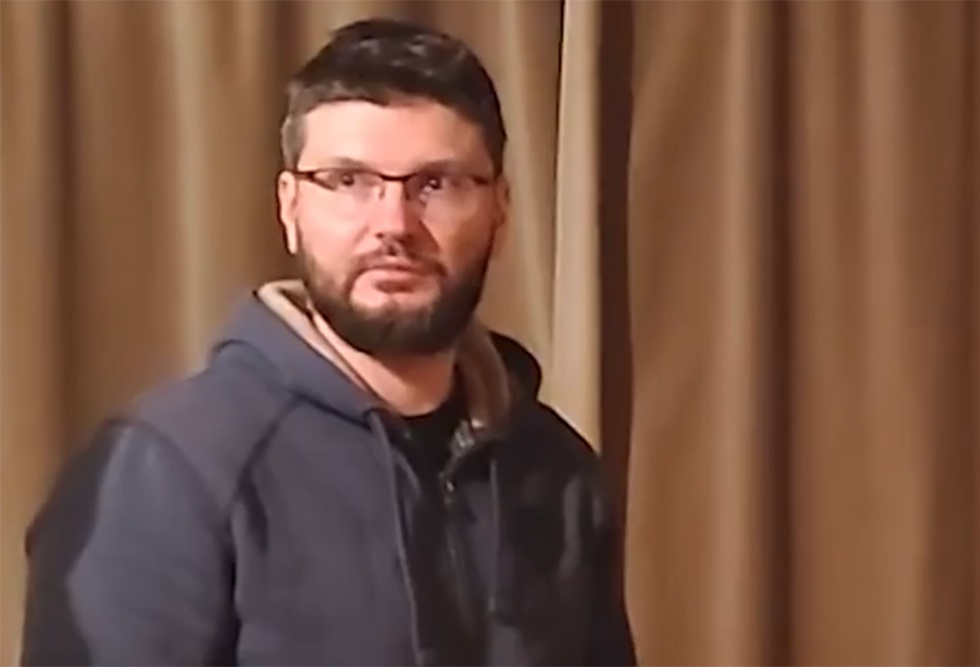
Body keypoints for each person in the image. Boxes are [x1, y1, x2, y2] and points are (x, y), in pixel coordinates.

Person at [19, 17, 636, 667]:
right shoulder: (169, 470)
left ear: (499, 212)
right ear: (290, 206)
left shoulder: (556, 472)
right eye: (348, 181)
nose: (394, 224)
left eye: (436, 183)